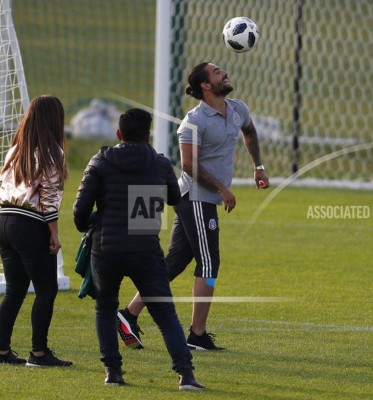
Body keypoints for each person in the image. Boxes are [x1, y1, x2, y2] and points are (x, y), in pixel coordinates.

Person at [117, 62, 270, 351]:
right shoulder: (193, 121)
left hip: (205, 199)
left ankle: (127, 314)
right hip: (195, 198)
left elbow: (250, 132)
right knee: (209, 264)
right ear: (206, 86)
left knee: (174, 262)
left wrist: (258, 167)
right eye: (217, 72)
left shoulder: (238, 110)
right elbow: (188, 165)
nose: (225, 72)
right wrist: (222, 188)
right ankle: (197, 335)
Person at [73, 108, 203, 389]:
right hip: (145, 247)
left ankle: (113, 372)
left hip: (106, 247)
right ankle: (186, 374)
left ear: (119, 134)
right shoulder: (159, 163)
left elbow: (80, 209)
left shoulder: (101, 161)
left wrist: (89, 227)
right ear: (148, 135)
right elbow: (172, 197)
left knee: (105, 308)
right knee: (165, 313)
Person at [0, 95, 72, 367]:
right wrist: (54, 233)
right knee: (46, 288)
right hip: (29, 224)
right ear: (55, 120)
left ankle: (2, 350)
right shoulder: (52, 151)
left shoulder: (15, 149)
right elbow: (49, 197)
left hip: (4, 220)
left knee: (15, 289)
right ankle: (39, 353)